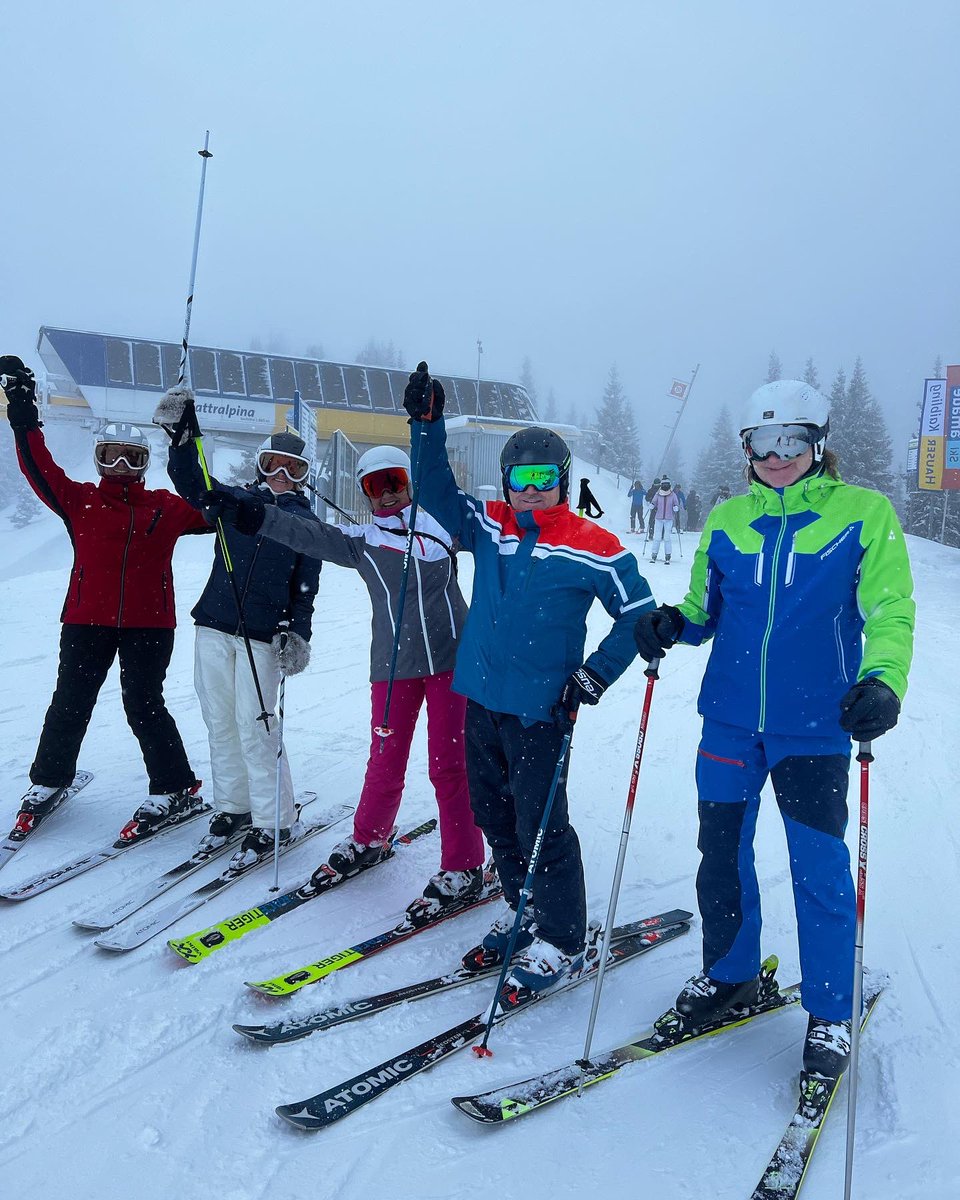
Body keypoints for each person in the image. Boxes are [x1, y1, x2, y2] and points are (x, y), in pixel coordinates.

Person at [633, 379, 914, 1079]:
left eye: (792, 440)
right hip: (728, 720)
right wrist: (674, 622)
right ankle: (731, 976)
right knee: (720, 856)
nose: (777, 454)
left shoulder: (863, 513)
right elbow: (704, 608)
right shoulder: (727, 520)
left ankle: (828, 1010)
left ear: (819, 445)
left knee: (818, 868)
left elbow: (891, 610)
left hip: (815, 726)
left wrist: (883, 679)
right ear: (747, 449)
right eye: (763, 441)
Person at [402, 363, 655, 996]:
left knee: (541, 822)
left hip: (541, 710)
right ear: (507, 483)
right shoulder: (488, 526)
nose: (532, 490)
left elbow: (639, 617)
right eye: (522, 479)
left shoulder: (593, 544)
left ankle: (565, 937)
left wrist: (592, 677)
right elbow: (433, 491)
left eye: (545, 480)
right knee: (493, 812)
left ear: (562, 484)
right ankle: (527, 910)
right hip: (480, 702)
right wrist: (426, 427)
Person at [200, 443, 486, 914]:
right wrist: (254, 513)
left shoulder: (442, 529)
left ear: (409, 483)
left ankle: (464, 863)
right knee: (385, 758)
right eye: (376, 486)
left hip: (452, 665)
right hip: (392, 670)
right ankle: (369, 838)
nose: (388, 493)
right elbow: (302, 533)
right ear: (364, 494)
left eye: (396, 481)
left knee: (449, 767)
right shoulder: (361, 542)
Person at [0, 355, 208, 840]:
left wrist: (186, 437)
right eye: (110, 455)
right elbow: (38, 465)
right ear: (97, 459)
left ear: (144, 464)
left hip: (149, 625)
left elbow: (212, 506)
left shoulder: (166, 507)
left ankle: (174, 785)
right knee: (69, 701)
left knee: (144, 703)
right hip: (85, 620)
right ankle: (48, 781)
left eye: (132, 458)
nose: (120, 466)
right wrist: (23, 411)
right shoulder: (79, 501)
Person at [158, 387, 321, 867]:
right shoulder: (237, 504)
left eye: (293, 469)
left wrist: (298, 633)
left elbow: (306, 588)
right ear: (260, 465)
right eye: (272, 464)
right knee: (220, 720)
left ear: (304, 476)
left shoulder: (305, 525)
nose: (281, 476)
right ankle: (233, 807)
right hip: (213, 625)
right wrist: (183, 437)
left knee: (256, 726)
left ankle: (275, 819)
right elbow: (194, 483)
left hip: (262, 636)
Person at [648, 477, 680, 564]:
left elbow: (676, 503)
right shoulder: (658, 494)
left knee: (667, 537)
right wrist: (652, 505)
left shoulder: (672, 494)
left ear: (669, 485)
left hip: (669, 518)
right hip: (659, 518)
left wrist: (676, 507)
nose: (665, 486)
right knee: (657, 537)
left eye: (667, 484)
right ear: (661, 485)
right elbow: (654, 501)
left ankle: (668, 555)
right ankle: (654, 554)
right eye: (664, 484)